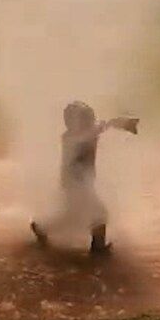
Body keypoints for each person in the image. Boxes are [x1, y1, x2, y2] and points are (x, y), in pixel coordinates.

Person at [29, 101, 136, 256]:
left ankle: (41, 227)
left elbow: (101, 126)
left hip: (76, 184)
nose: (90, 120)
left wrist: (121, 122)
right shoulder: (73, 137)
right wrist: (118, 123)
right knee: (99, 214)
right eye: (85, 118)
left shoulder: (83, 133)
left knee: (70, 215)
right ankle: (98, 249)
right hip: (75, 184)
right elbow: (95, 131)